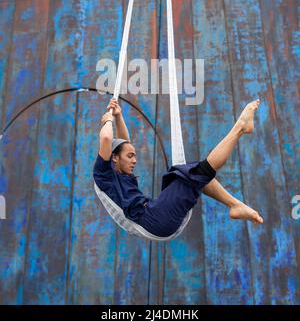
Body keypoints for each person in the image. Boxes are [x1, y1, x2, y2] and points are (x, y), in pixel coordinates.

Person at [93, 97, 263, 237]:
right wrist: (108, 120)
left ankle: (235, 204)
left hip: (155, 216)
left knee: (187, 174)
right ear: (114, 158)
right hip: (153, 220)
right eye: (130, 156)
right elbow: (107, 139)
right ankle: (240, 128)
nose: (135, 161)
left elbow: (124, 144)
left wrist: (118, 116)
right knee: (198, 172)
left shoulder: (121, 176)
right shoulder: (103, 175)